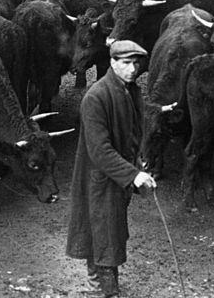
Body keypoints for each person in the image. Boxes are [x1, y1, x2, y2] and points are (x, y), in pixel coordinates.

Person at [66, 39, 157, 298]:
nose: (133, 69)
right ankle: (104, 291)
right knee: (105, 234)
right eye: (126, 63)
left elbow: (130, 135)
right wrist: (133, 175)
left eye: (136, 64)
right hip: (100, 180)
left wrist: (139, 163)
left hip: (118, 177)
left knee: (109, 233)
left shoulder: (130, 91)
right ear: (113, 63)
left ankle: (101, 287)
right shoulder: (96, 97)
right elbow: (100, 151)